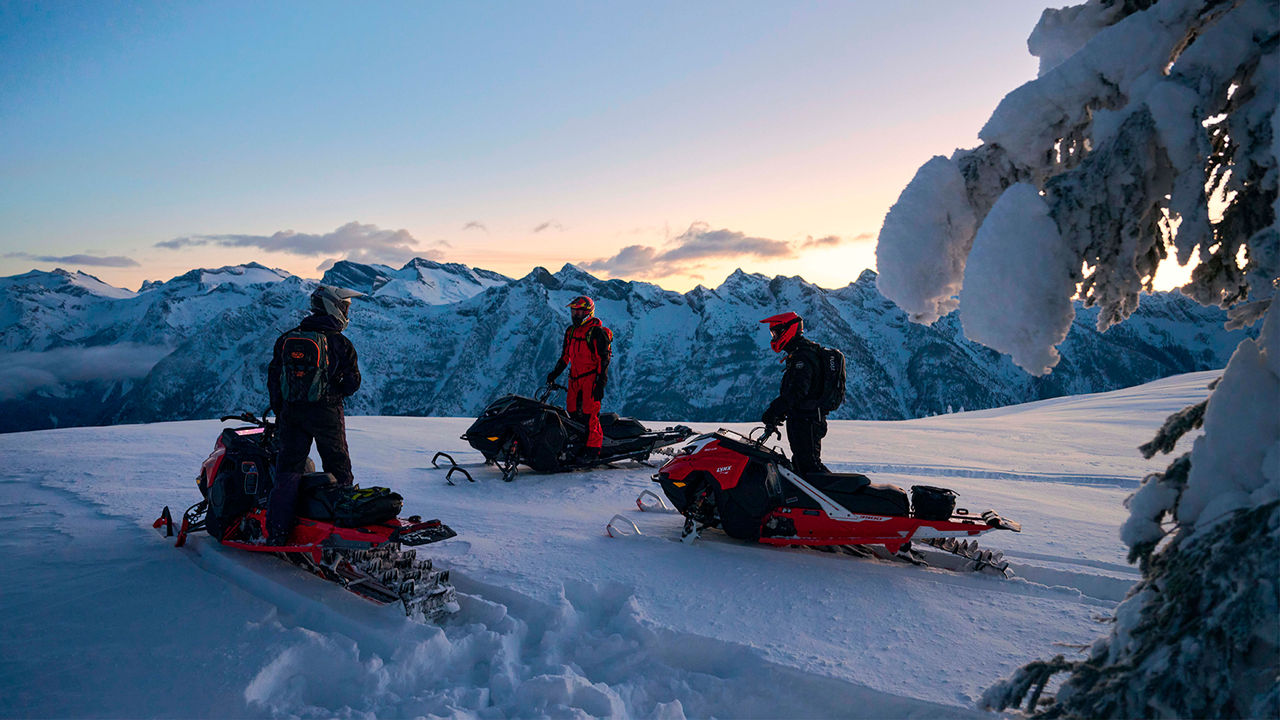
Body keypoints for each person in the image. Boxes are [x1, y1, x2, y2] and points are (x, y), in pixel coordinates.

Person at [265, 285, 363, 544]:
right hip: (327, 413)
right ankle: (343, 530)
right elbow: (352, 384)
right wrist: (335, 386)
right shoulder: (340, 343)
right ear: (333, 307)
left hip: (292, 413)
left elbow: (274, 379)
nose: (346, 312)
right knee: (338, 468)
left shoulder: (286, 339)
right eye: (345, 307)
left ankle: (277, 531)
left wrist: (282, 411)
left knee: (288, 470)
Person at [760, 311, 829, 477]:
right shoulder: (800, 353)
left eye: (776, 333)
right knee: (802, 465)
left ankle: (835, 494)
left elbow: (798, 391)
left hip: (807, 420)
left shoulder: (803, 357)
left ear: (788, 330)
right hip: (802, 418)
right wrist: (781, 412)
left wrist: (775, 409)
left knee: (810, 468)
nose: (774, 338)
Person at [546, 295, 613, 461]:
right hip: (574, 379)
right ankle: (578, 445)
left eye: (578, 312)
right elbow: (566, 356)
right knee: (572, 413)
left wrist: (600, 383)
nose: (575, 315)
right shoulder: (571, 332)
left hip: (590, 379)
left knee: (590, 414)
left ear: (588, 313)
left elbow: (603, 360)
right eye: (573, 311)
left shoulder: (596, 332)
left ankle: (593, 451)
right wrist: (555, 373)